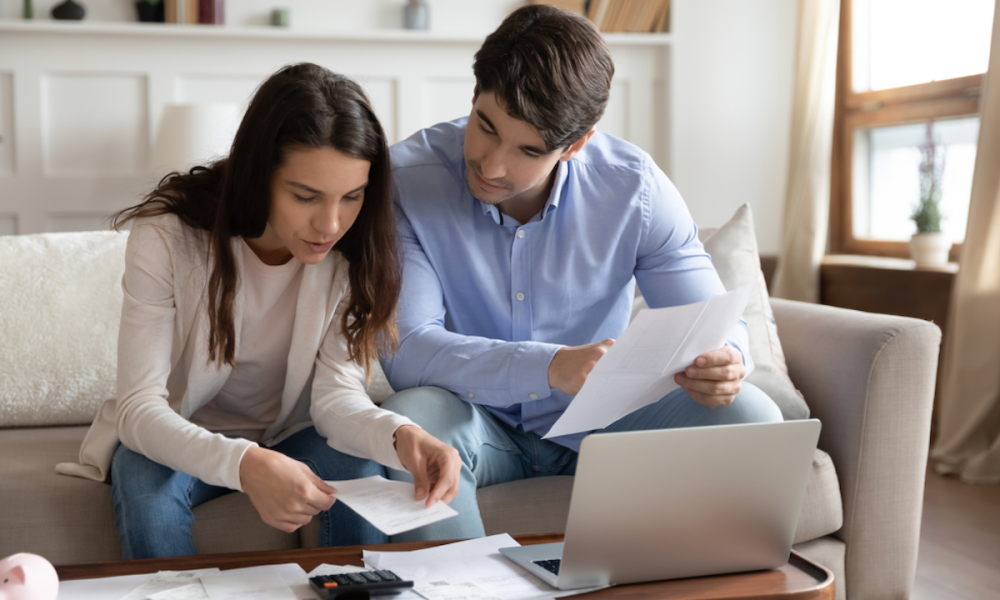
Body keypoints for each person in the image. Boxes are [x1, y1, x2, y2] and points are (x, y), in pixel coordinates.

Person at [378, 5, 783, 542]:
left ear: (576, 144)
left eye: (528, 150)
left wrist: (726, 360)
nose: (492, 165)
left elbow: (710, 322)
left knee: (752, 416)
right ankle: (464, 582)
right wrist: (551, 366)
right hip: (473, 420)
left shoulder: (635, 189)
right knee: (411, 416)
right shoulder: (406, 182)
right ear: (474, 96)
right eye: (486, 126)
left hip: (605, 423)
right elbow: (408, 351)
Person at [56, 63, 461, 559]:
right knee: (144, 486)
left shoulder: (355, 250)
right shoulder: (166, 236)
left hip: (291, 436)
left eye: (352, 197)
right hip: (177, 432)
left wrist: (403, 435)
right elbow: (140, 408)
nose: (331, 223)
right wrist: (245, 463)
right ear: (258, 174)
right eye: (305, 196)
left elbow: (337, 396)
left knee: (359, 471)